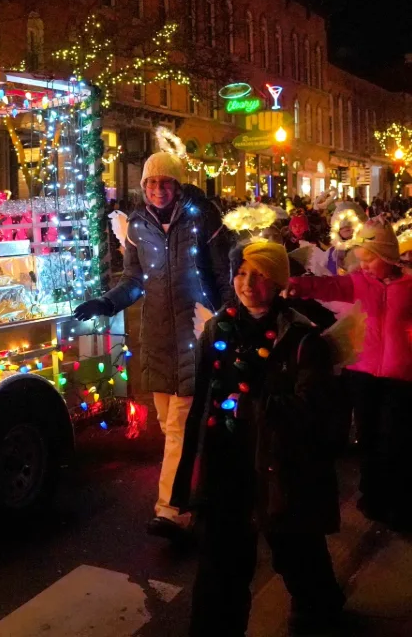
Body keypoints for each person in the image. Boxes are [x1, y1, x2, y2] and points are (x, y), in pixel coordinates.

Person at [173, 242, 344, 636]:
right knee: (220, 565)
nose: (248, 283)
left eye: (260, 274)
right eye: (241, 273)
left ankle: (320, 611)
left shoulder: (301, 337)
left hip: (281, 467)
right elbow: (204, 399)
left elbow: (314, 408)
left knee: (297, 552)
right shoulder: (217, 328)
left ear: (279, 281)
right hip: (226, 463)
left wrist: (254, 408)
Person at [74, 151, 232, 542]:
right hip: (158, 339)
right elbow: (134, 281)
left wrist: (227, 319)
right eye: (152, 183)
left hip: (196, 332)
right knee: (169, 425)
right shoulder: (138, 225)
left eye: (166, 182)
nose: (159, 189)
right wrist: (107, 302)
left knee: (179, 426)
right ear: (144, 186)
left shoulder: (203, 219)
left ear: (177, 185)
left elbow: (223, 275)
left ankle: (172, 510)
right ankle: (208, 488)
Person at [287, 218, 412, 530]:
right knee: (367, 436)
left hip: (400, 376)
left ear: (387, 256)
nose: (363, 265)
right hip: (362, 373)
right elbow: (329, 285)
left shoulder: (409, 286)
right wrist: (298, 285)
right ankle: (372, 496)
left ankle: (395, 499)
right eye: (361, 259)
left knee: (393, 438)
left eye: (369, 259)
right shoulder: (359, 282)